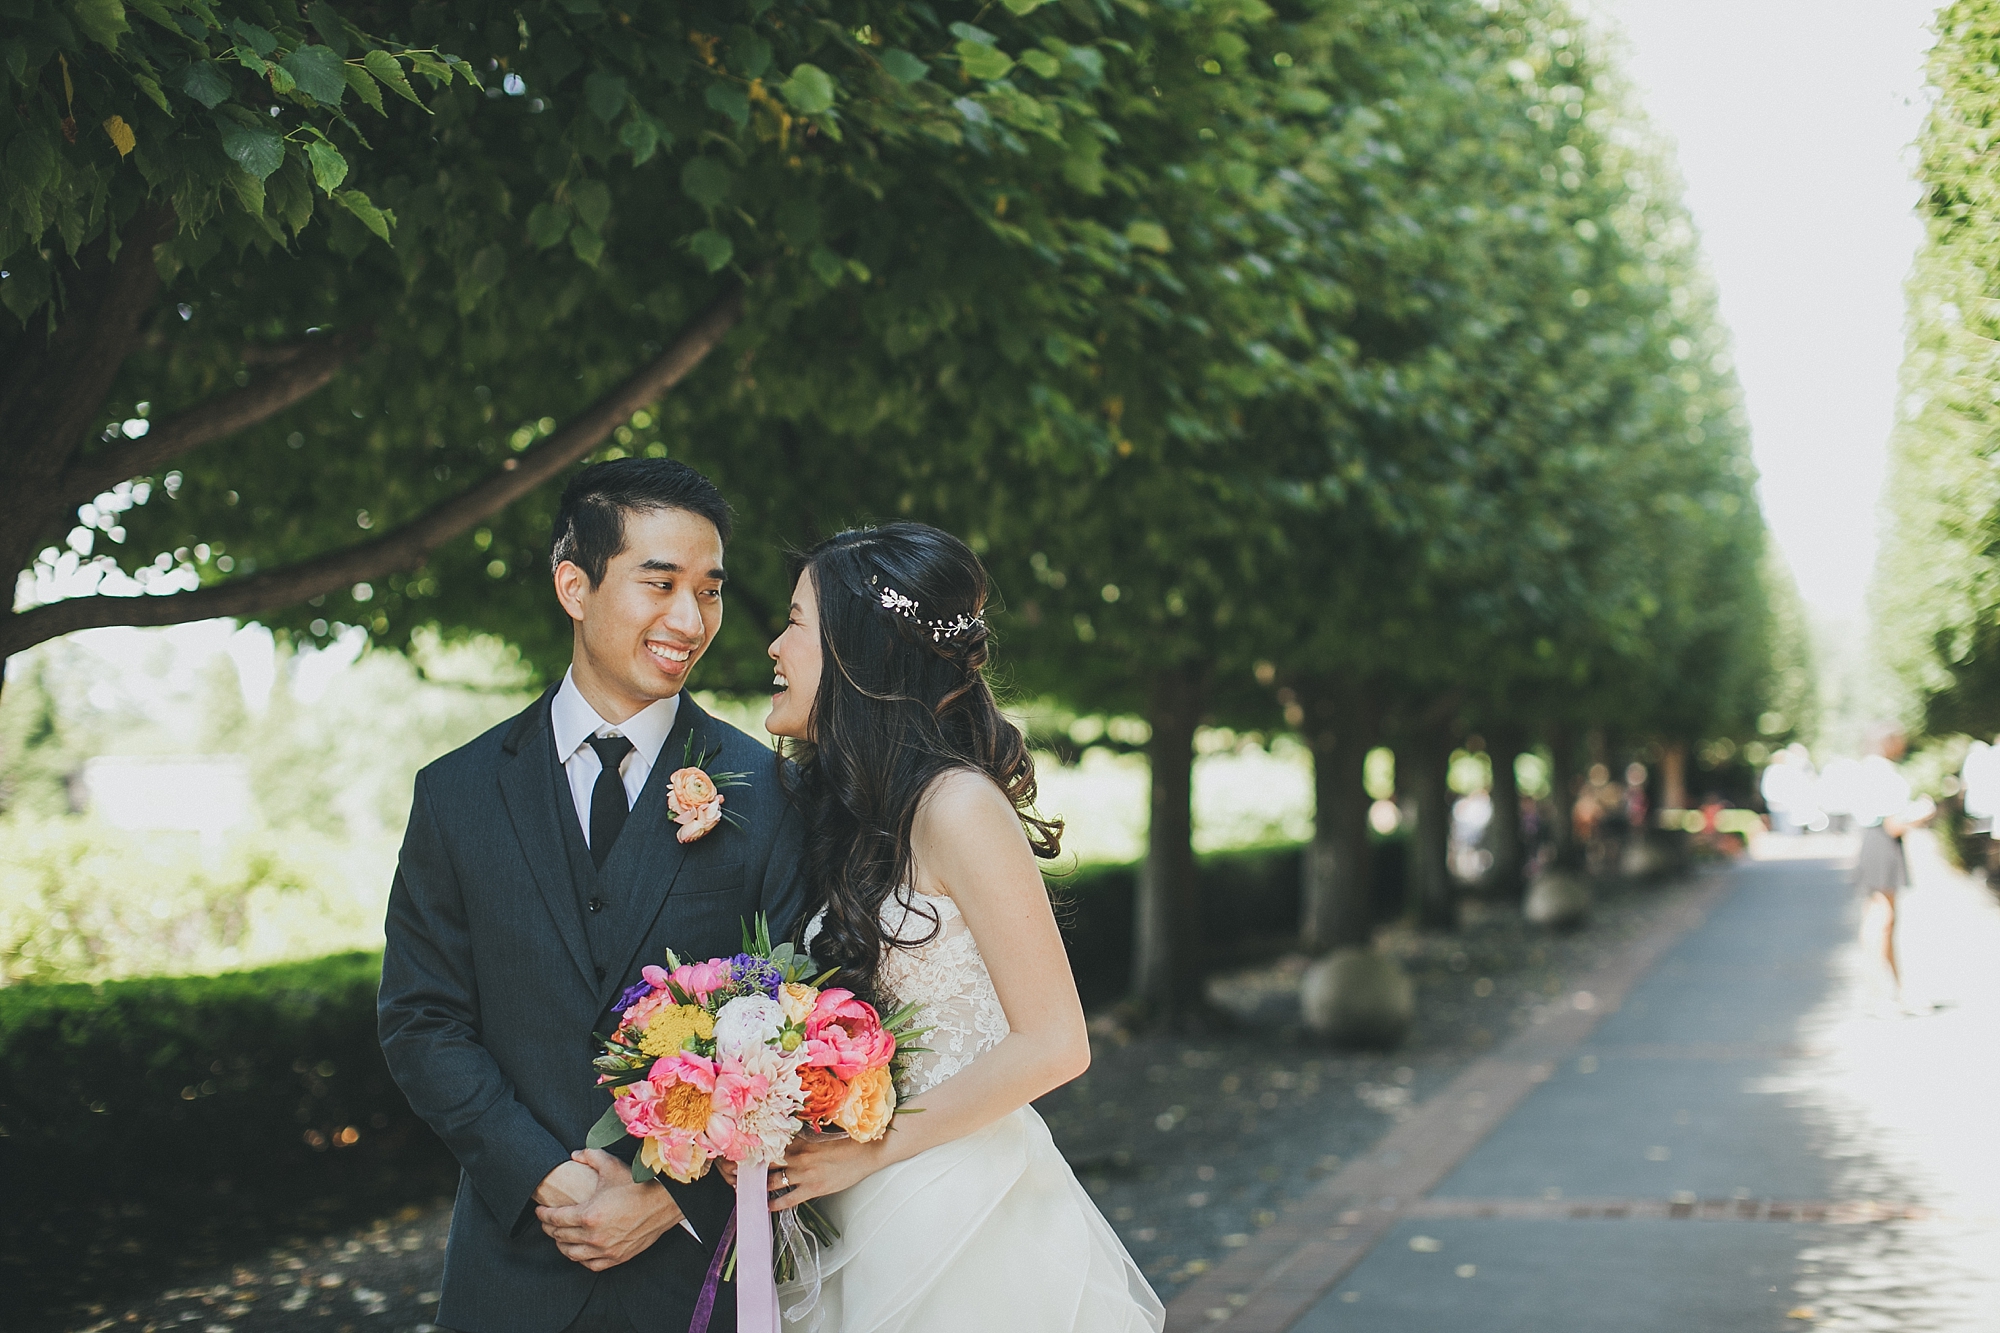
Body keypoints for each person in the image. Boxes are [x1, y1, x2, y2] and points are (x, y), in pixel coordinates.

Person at [378, 459, 807, 1333]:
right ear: (574, 585)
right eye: (661, 583)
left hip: (696, 1279)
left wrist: (670, 1195)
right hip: (512, 1270)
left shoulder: (770, 793)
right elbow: (422, 1018)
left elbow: (801, 1020)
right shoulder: (455, 794)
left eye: (710, 591)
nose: (690, 620)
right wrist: (548, 1176)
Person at [759, 523, 1164, 1332]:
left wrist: (868, 1149)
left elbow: (1056, 1042)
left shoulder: (960, 806)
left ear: (858, 651)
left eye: (797, 621)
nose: (774, 645)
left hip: (956, 1211)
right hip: (855, 1204)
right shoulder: (854, 813)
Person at [1851, 723, 1935, 1010]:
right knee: (1883, 921)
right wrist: (1921, 814)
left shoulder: (1866, 768)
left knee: (1877, 919)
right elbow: (1893, 824)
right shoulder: (1882, 772)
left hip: (1874, 843)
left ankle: (1892, 991)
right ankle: (1881, 994)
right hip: (1883, 844)